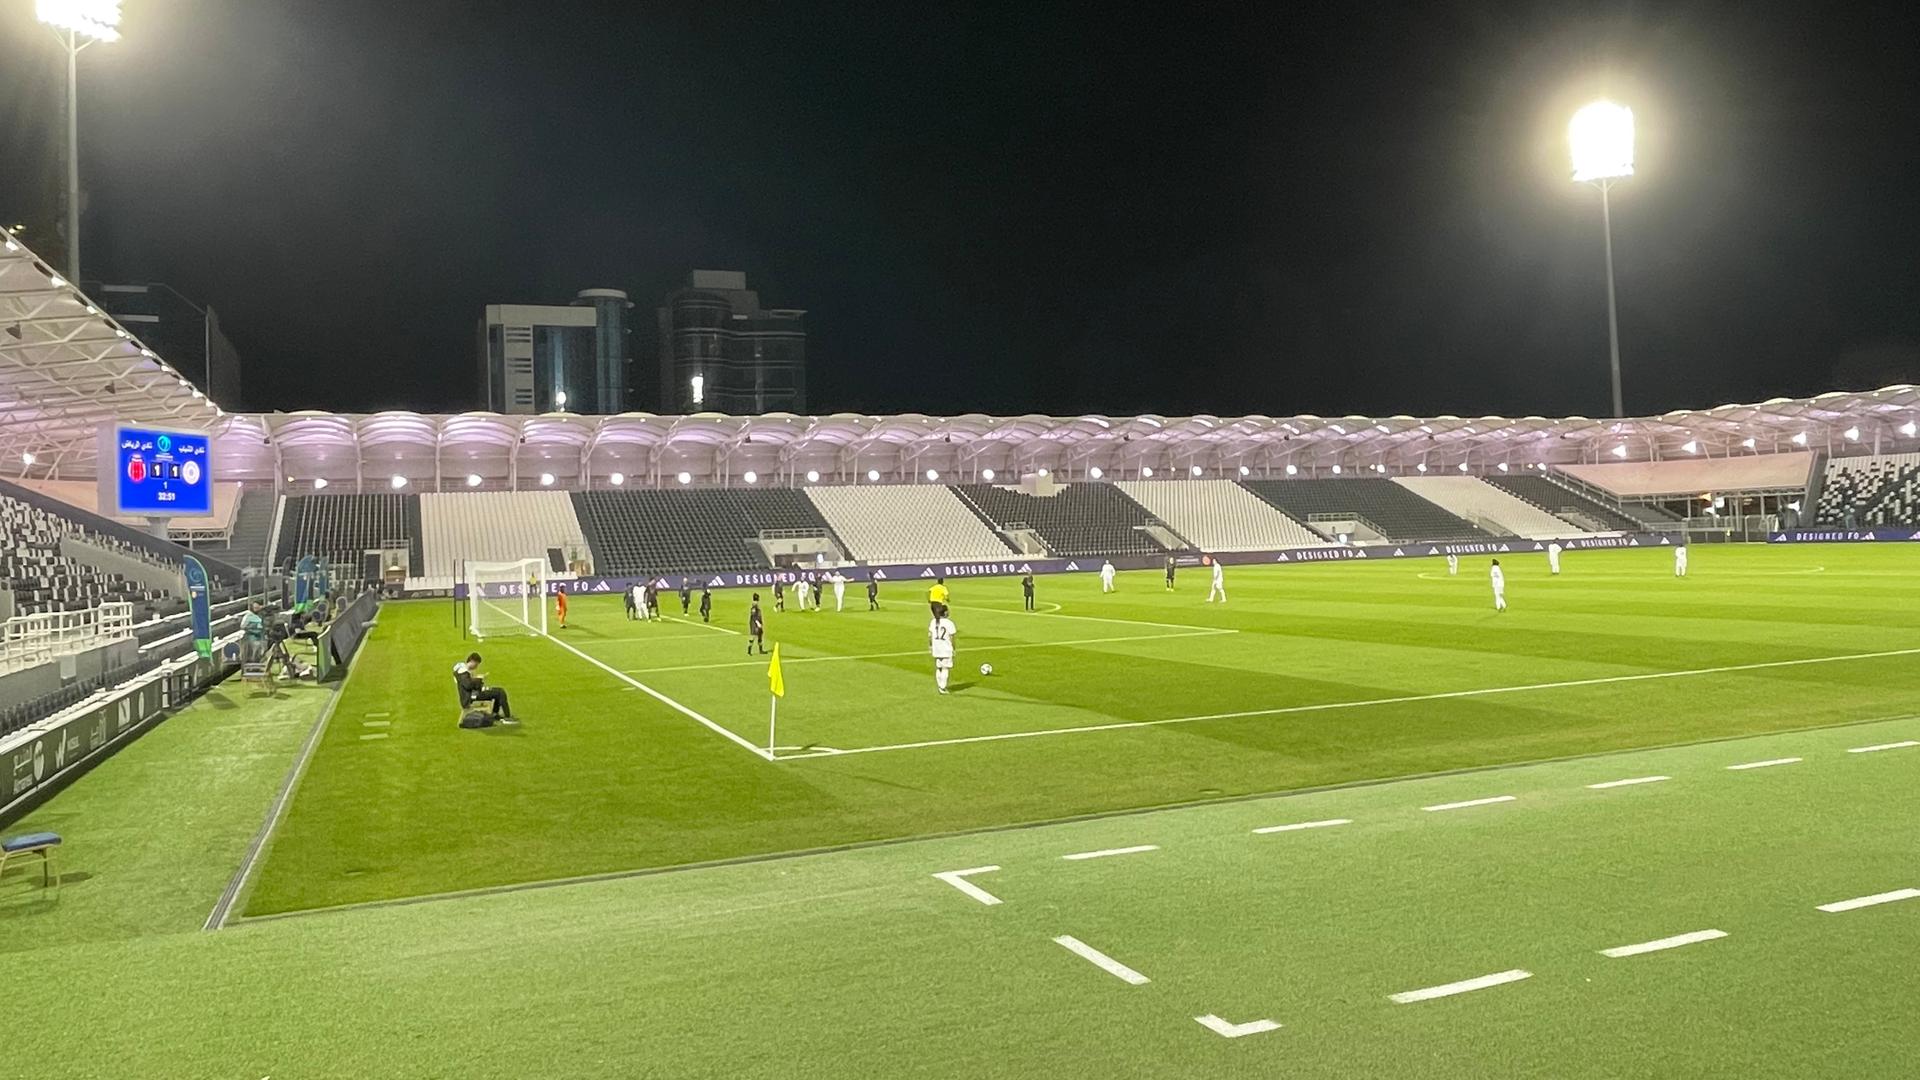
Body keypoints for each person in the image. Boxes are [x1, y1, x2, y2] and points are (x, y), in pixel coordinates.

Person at [455, 653, 514, 723]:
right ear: (472, 661)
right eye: (476, 664)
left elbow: (467, 683)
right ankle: (507, 718)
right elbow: (468, 685)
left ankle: (495, 714)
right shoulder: (463, 672)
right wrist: (479, 679)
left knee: (498, 691)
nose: (476, 667)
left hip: (471, 694)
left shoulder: (462, 669)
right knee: (500, 692)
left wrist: (477, 679)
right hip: (470, 697)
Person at [928, 602, 958, 694]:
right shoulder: (949, 623)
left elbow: (930, 635)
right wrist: (953, 648)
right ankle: (942, 687)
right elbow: (952, 637)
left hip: (937, 648)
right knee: (945, 668)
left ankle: (939, 685)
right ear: (945, 613)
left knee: (939, 667)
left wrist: (931, 646)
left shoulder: (934, 621)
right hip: (946, 648)